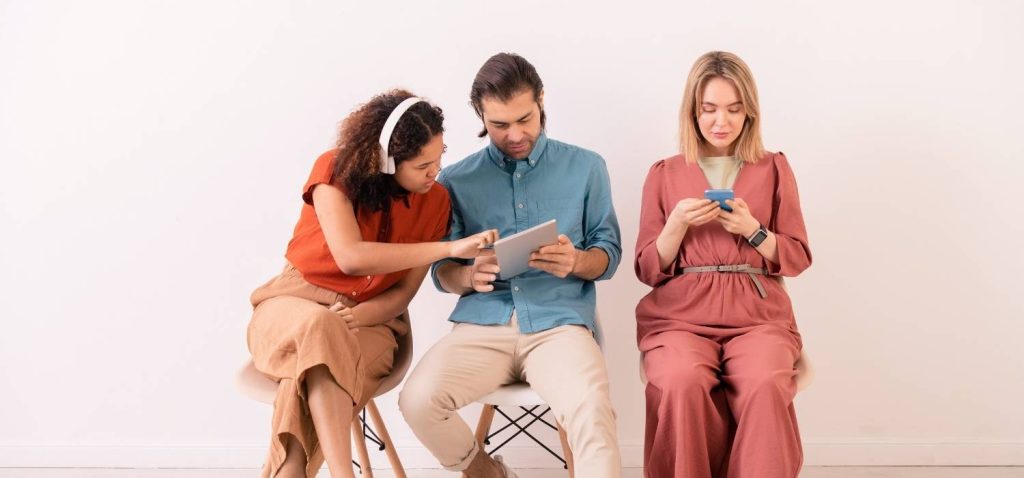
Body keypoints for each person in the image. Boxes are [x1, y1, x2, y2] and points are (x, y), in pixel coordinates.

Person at [247, 89, 496, 478]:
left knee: (316, 355)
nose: (436, 171)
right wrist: (446, 247)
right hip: (292, 304)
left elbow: (401, 296)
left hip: (375, 321)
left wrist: (359, 315)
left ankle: (292, 470)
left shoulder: (436, 202)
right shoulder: (333, 172)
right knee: (319, 326)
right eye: (422, 165)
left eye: (440, 156)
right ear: (385, 161)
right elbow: (351, 255)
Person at [398, 53, 624, 478]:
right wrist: (467, 274)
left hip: (560, 326)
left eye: (525, 118)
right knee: (418, 400)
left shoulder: (587, 167)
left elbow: (607, 257)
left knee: (592, 411)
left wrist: (576, 261)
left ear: (541, 100)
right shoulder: (455, 181)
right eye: (500, 125)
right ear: (481, 115)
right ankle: (486, 472)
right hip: (483, 326)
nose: (516, 134)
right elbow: (441, 272)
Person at [634, 51, 813, 477]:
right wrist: (675, 226)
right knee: (680, 380)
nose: (721, 121)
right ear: (692, 111)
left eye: (734, 109)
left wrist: (754, 230)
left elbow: (797, 256)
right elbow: (646, 270)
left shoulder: (774, 168)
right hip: (680, 317)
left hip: (757, 317)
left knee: (765, 381)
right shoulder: (663, 173)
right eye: (709, 109)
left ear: (749, 111)